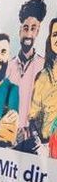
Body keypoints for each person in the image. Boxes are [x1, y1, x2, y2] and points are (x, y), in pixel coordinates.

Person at [7, 0, 47, 134]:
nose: (29, 34)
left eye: (33, 28)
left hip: (33, 138)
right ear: (20, 31)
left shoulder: (44, 66)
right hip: (8, 137)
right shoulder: (8, 67)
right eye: (26, 28)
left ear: (38, 32)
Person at [28, 17, 57, 155]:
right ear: (50, 39)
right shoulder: (42, 77)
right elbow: (33, 118)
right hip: (46, 150)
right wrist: (41, 146)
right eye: (55, 34)